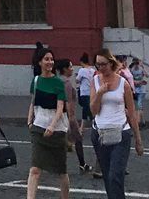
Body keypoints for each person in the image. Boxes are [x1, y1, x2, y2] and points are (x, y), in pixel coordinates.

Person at [89, 48, 143, 199]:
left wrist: (138, 140)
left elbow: (131, 113)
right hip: (100, 134)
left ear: (111, 63)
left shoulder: (123, 83)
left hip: (121, 134)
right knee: (107, 176)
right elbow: (93, 110)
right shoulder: (95, 82)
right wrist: (100, 93)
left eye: (103, 64)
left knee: (115, 175)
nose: (100, 67)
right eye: (98, 64)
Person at [26, 47, 69, 199]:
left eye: (51, 59)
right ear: (39, 62)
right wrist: (30, 120)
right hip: (39, 128)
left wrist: (52, 125)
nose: (50, 62)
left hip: (57, 131)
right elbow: (33, 102)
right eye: (46, 59)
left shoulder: (58, 82)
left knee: (61, 171)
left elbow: (60, 107)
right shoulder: (36, 80)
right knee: (35, 170)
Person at [56, 58, 87, 175]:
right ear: (65, 69)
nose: (72, 69)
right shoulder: (67, 83)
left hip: (59, 115)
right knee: (77, 139)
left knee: (59, 141)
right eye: (70, 67)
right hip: (68, 116)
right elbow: (68, 102)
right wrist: (71, 119)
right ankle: (82, 164)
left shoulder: (57, 81)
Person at [75, 54, 94, 130]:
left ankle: (83, 126)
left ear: (82, 62)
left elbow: (77, 80)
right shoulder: (93, 70)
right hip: (91, 91)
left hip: (84, 91)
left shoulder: (82, 70)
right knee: (89, 107)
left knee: (85, 108)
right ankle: (92, 122)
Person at [128, 59, 147, 126]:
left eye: (137, 64)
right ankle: (143, 121)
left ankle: (138, 122)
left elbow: (147, 75)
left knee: (139, 105)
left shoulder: (141, 69)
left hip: (141, 90)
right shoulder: (131, 69)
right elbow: (130, 78)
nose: (136, 65)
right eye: (134, 64)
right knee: (138, 106)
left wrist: (143, 67)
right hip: (135, 89)